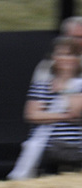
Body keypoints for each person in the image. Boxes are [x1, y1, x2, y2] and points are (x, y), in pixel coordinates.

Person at [17, 38, 82, 178]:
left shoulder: (79, 84)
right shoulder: (41, 85)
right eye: (60, 54)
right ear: (53, 57)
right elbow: (32, 115)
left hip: (75, 149)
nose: (64, 58)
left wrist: (66, 85)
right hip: (46, 149)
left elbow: (75, 112)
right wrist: (63, 116)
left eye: (70, 54)